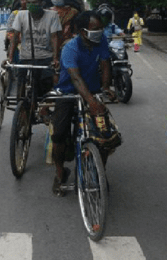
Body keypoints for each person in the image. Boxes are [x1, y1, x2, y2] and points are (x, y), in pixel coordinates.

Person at [51, 11, 116, 196]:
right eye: (95, 29)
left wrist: (105, 87)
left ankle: (99, 173)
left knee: (104, 135)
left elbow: (105, 65)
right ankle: (60, 172)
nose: (100, 32)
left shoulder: (101, 41)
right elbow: (75, 78)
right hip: (68, 91)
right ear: (82, 31)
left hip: (93, 90)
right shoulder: (70, 48)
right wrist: (91, 102)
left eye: (101, 28)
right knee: (59, 133)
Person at [4, 0, 61, 103]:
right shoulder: (21, 15)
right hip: (26, 55)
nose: (31, 5)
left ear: (42, 3)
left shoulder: (52, 15)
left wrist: (55, 58)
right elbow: (15, 38)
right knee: (21, 81)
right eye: (29, 3)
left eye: (34, 3)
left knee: (45, 83)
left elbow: (54, 38)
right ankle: (20, 105)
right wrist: (10, 58)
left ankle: (43, 108)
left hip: (45, 56)